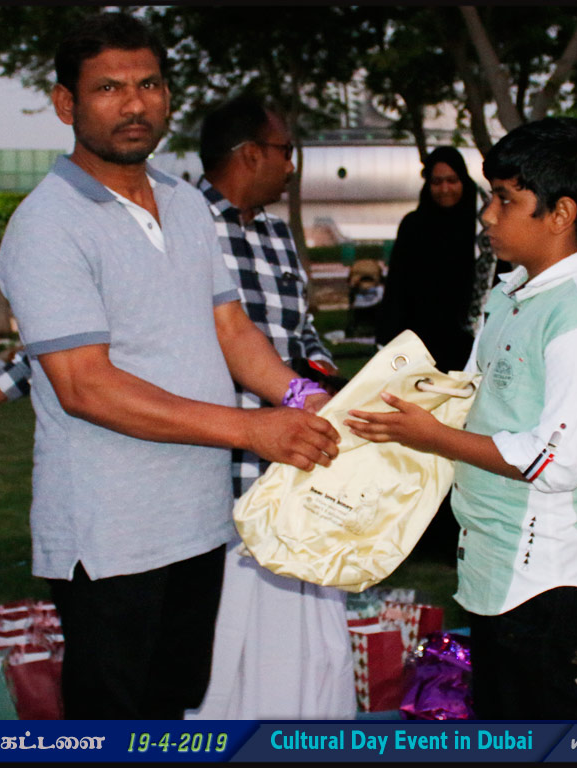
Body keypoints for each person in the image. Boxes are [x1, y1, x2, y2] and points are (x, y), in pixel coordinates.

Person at [0, 94, 355, 718]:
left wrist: (307, 395)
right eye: (109, 87)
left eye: (148, 84)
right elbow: (79, 377)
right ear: (66, 102)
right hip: (113, 527)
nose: (133, 103)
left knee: (176, 701)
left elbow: (237, 331)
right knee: (114, 715)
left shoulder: (185, 207)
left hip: (204, 508)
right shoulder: (49, 222)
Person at [347, 118, 577, 719]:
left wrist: (434, 436)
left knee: (543, 728)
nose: (487, 214)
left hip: (549, 572)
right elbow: (476, 397)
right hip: (494, 555)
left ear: (561, 213)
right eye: (490, 196)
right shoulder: (511, 293)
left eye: (506, 199)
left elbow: (553, 462)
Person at [185, 96, 354, 720]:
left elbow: (300, 335)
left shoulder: (279, 235)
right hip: (220, 470)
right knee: (224, 651)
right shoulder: (182, 225)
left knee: (298, 648)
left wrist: (330, 385)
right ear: (250, 154)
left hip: (297, 463)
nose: (291, 165)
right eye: (286, 151)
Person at [377, 145, 481, 373]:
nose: (445, 189)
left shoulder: (480, 229)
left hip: (469, 345)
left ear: (464, 180)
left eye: (452, 180)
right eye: (437, 182)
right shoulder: (413, 226)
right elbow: (397, 287)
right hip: (421, 344)